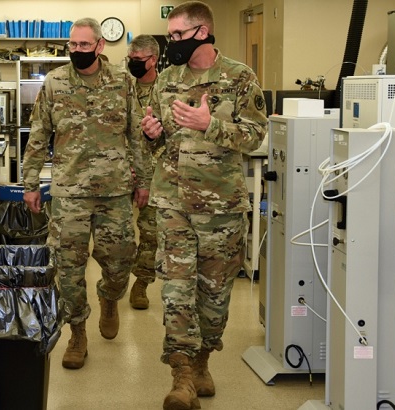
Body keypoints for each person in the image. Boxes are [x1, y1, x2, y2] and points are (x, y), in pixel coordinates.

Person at [140, 2, 267, 409]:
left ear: (203, 33)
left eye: (177, 36)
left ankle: (202, 361)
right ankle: (180, 377)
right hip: (173, 202)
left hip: (221, 209)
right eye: (170, 36)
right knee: (177, 292)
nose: (170, 43)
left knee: (213, 299)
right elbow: (161, 144)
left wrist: (208, 125)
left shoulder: (239, 77)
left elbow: (256, 138)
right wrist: (152, 133)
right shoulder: (166, 81)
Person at [22, 18, 152, 370]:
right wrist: (30, 182)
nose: (77, 51)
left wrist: (144, 182)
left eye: (84, 45)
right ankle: (77, 333)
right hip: (69, 192)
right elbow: (38, 135)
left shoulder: (123, 82)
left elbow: (137, 136)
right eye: (73, 45)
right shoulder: (55, 82)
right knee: (67, 269)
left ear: (99, 46)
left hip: (115, 192)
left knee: (121, 260)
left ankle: (110, 298)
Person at [126, 34, 160, 310]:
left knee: (150, 234)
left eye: (137, 60)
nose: (132, 64)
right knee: (119, 236)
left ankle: (142, 283)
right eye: (130, 59)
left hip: (156, 174)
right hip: (120, 172)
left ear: (153, 60)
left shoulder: (168, 89)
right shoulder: (122, 87)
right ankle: (114, 285)